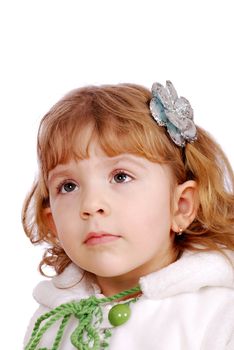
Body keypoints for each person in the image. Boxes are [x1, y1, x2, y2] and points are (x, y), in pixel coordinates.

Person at [22, 81, 234, 350]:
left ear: (180, 206)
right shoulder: (52, 320)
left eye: (121, 176)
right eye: (68, 186)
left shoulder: (217, 315)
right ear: (53, 223)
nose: (91, 204)